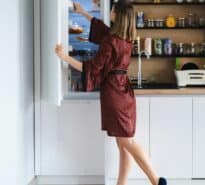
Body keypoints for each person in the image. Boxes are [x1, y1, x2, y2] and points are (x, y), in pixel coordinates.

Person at [54, 1, 167, 185]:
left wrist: (65, 57)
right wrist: (83, 12)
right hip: (124, 92)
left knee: (126, 143)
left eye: (113, 9)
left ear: (118, 15)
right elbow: (100, 28)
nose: (111, 10)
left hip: (114, 94)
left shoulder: (111, 41)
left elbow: (91, 68)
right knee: (123, 144)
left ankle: (156, 180)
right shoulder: (124, 39)